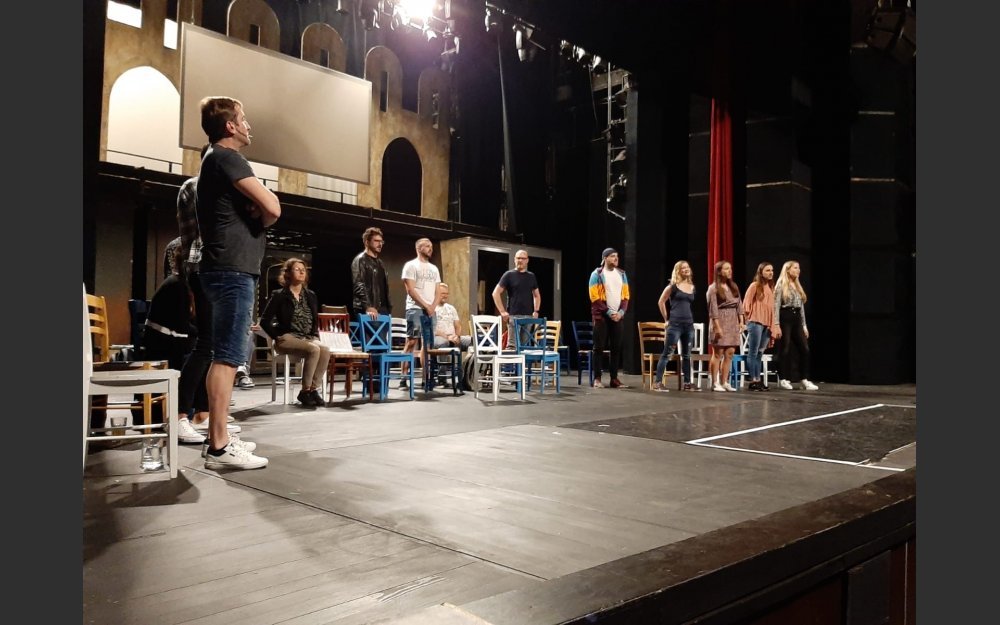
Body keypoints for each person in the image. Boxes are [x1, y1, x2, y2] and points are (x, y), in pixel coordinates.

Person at [196, 96, 280, 470]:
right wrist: (260, 211)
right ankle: (219, 445)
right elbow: (273, 208)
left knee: (225, 354)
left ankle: (218, 437)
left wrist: (257, 211)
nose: (249, 126)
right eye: (243, 119)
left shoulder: (213, 160)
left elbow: (264, 210)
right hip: (231, 271)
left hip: (224, 269)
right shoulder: (228, 157)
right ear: (230, 126)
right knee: (229, 356)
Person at [131, 243, 205, 443]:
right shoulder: (176, 285)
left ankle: (200, 413)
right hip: (161, 345)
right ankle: (187, 415)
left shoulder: (182, 284)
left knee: (205, 349)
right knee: (202, 353)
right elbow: (182, 324)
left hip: (170, 340)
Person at [260, 258, 331, 407]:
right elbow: (264, 321)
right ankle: (305, 391)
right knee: (314, 349)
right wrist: (276, 337)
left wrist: (315, 335)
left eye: (303, 270)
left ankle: (313, 389)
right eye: (297, 269)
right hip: (287, 337)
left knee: (325, 350)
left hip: (307, 337)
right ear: (288, 274)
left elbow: (314, 319)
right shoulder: (279, 295)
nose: (302, 272)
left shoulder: (311, 295)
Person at [652, 260, 698, 392]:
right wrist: (666, 319)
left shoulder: (692, 287)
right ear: (678, 271)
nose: (686, 269)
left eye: (687, 267)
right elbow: (661, 301)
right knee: (667, 354)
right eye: (683, 268)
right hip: (675, 325)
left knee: (687, 355)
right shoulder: (672, 286)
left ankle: (687, 383)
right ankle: (658, 383)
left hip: (688, 325)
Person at [401, 237, 441, 389]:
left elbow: (438, 291)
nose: (431, 248)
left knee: (428, 344)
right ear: (418, 248)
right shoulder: (410, 265)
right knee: (411, 342)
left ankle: (426, 377)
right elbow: (410, 290)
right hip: (415, 308)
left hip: (431, 310)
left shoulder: (434, 268)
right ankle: (404, 377)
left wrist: (433, 306)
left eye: (431, 246)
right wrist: (425, 305)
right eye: (427, 246)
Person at [773, 260, 819, 390]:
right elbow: (776, 306)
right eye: (795, 268)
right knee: (785, 348)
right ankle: (783, 379)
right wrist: (776, 324)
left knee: (805, 348)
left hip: (796, 317)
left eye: (798, 268)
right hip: (785, 316)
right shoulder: (781, 285)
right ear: (788, 270)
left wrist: (804, 325)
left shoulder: (797, 285)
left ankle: (804, 379)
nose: (798, 270)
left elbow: (801, 308)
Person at [588, 247, 630, 389]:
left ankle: (614, 379)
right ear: (605, 258)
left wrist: (621, 313)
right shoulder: (597, 274)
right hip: (602, 316)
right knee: (598, 348)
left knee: (616, 348)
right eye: (612, 256)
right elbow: (594, 298)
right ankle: (597, 379)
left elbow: (626, 296)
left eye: (616, 256)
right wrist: (609, 312)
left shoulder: (622, 274)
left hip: (617, 317)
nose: (616, 258)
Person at [706, 260, 745, 392]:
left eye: (730, 268)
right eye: (726, 269)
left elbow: (739, 304)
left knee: (730, 353)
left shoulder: (733, 286)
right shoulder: (713, 288)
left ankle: (724, 382)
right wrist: (717, 327)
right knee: (718, 353)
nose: (730, 271)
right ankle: (715, 382)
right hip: (720, 321)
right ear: (719, 272)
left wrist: (741, 321)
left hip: (732, 321)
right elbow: (713, 310)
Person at [491, 249, 540, 349]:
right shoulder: (509, 275)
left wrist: (536, 310)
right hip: (514, 316)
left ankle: (523, 360)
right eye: (518, 258)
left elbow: (537, 295)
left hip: (528, 316)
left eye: (523, 258)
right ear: (514, 259)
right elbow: (495, 293)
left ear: (527, 260)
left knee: (524, 347)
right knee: (512, 347)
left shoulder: (531, 276)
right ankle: (512, 360)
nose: (520, 260)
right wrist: (502, 312)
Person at [743, 262, 779, 391]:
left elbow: (771, 308)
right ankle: (753, 380)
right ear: (761, 272)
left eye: (772, 270)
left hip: (767, 324)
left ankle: (758, 379)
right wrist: (746, 320)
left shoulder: (770, 287)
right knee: (753, 352)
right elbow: (746, 304)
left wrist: (774, 324)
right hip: (755, 322)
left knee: (760, 352)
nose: (771, 272)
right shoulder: (754, 286)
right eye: (767, 270)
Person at [433, 282, 471, 392]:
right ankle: (442, 379)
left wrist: (457, 336)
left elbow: (458, 325)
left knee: (472, 341)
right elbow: (433, 329)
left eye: (447, 293)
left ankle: (467, 378)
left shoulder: (451, 308)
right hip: (438, 337)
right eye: (442, 293)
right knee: (443, 343)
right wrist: (447, 337)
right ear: (436, 293)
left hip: (453, 337)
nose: (445, 296)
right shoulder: (432, 308)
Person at [351, 226, 392, 321]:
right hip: (368, 309)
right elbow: (359, 285)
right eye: (376, 241)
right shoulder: (361, 260)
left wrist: (388, 308)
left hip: (383, 309)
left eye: (381, 241)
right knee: (371, 331)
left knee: (383, 331)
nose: (380, 244)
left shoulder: (380, 263)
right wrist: (368, 306)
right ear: (367, 242)